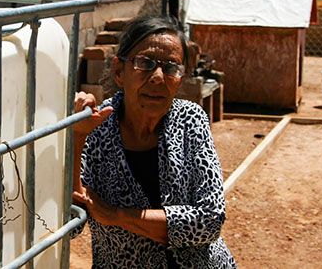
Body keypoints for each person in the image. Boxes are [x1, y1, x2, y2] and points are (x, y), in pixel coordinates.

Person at [72, 14, 236, 268]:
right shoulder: (95, 128)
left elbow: (210, 219)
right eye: (145, 63)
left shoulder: (190, 120)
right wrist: (78, 136)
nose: (158, 77)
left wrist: (117, 216)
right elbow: (73, 221)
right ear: (118, 71)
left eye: (171, 67)